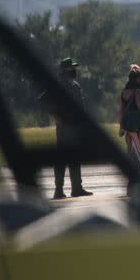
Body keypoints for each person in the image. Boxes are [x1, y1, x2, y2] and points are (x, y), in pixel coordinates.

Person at [45, 57, 93, 199]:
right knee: (61, 159)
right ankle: (58, 189)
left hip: (75, 127)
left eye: (73, 67)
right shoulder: (56, 85)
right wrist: (56, 116)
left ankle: (76, 188)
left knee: (75, 158)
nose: (73, 70)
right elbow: (43, 100)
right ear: (64, 69)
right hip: (64, 127)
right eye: (70, 67)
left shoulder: (75, 86)